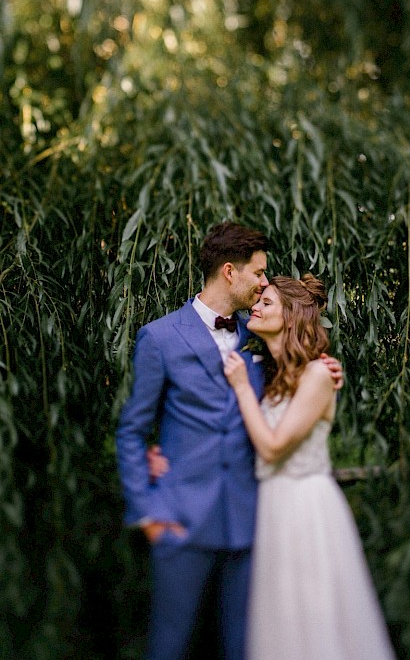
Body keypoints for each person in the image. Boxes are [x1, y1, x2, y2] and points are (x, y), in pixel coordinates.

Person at [114, 223, 341, 660]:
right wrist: (148, 510)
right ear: (230, 272)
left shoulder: (260, 336)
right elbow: (132, 429)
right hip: (180, 520)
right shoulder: (159, 338)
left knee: (245, 648)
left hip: (251, 524)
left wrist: (324, 369)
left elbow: (296, 378)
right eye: (258, 273)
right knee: (169, 647)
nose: (263, 284)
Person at [223, 274, 396, 660]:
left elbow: (272, 448)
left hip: (305, 508)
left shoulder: (318, 375)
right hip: (273, 506)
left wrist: (239, 388)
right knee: (280, 621)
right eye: (258, 301)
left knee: (313, 617)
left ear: (291, 316)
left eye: (267, 303)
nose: (256, 307)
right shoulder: (275, 374)